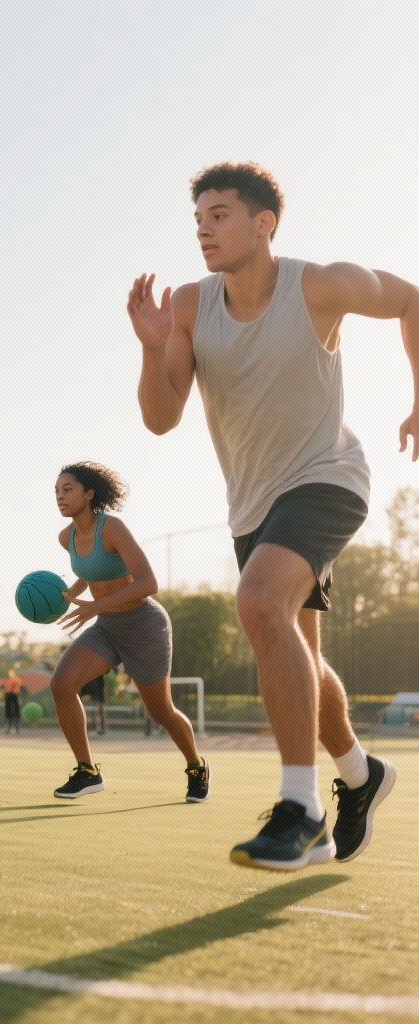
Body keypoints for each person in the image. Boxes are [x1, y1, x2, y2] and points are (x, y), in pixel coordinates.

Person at [128, 160, 414, 870]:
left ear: (264, 224)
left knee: (257, 603)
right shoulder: (191, 306)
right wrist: (151, 347)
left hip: (328, 479)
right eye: (198, 219)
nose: (203, 229)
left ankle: (301, 808)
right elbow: (162, 419)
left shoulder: (320, 285)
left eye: (219, 215)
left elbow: (413, 300)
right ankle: (360, 774)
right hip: (252, 504)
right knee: (298, 655)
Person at [49, 462, 208, 802]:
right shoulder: (67, 537)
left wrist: (93, 606)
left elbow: (149, 583)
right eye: (57, 492)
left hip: (144, 625)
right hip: (107, 627)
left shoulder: (112, 528)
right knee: (61, 685)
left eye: (68, 489)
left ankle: (196, 766)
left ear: (89, 493)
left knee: (160, 711)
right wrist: (67, 596)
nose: (60, 497)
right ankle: (87, 771)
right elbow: (90, 572)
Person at [2, 670, 22, 734]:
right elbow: (3, 687)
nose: (8, 674)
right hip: (8, 695)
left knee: (16, 710)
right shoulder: (6, 680)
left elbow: (18, 688)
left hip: (14, 695)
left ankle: (17, 727)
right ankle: (8, 727)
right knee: (8, 711)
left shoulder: (17, 679)